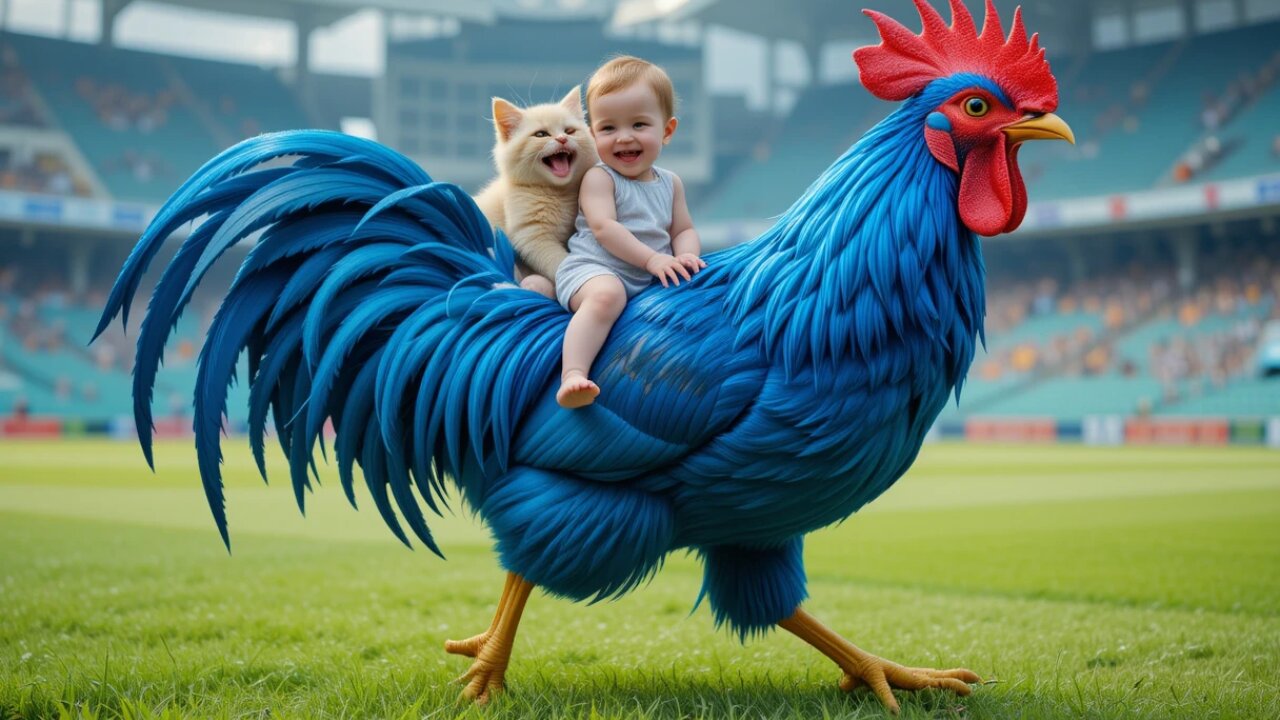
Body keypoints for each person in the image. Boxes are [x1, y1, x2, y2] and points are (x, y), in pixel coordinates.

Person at [554, 56, 704, 409]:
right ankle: (573, 373)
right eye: (608, 128)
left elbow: (683, 228)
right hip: (593, 270)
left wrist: (687, 254)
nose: (624, 137)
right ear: (593, 134)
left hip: (645, 275)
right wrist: (653, 259)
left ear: (667, 131)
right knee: (607, 296)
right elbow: (605, 229)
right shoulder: (600, 178)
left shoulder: (671, 183)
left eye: (638, 124)